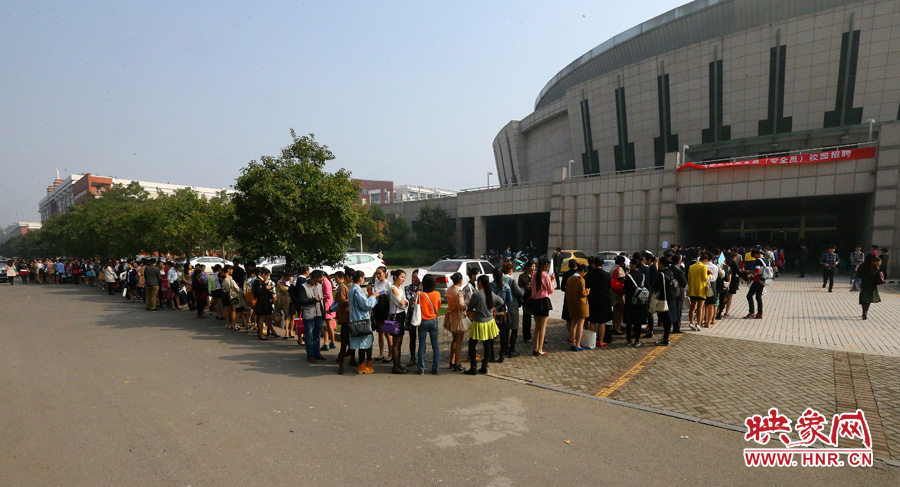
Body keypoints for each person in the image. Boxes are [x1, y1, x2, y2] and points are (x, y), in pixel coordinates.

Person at [465, 275, 503, 375]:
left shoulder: (477, 294)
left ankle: (473, 367)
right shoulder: (490, 293)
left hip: (479, 322)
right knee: (487, 345)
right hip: (489, 322)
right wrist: (493, 308)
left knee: (472, 344)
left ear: (480, 283)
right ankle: (484, 366)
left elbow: (470, 306)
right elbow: (501, 301)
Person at [348, 270, 378, 374]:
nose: (364, 279)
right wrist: (374, 297)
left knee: (362, 343)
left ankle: (365, 363)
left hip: (355, 319)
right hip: (361, 319)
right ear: (360, 278)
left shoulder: (352, 289)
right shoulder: (357, 290)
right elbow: (366, 305)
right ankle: (362, 365)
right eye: (364, 278)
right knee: (364, 343)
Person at [415, 274, 442, 375]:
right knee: (435, 345)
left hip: (422, 321)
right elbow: (438, 305)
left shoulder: (419, 294)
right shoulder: (437, 294)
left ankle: (421, 369)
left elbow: (416, 303)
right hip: (433, 320)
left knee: (422, 345)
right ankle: (436, 368)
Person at [299, 270, 326, 362]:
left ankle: (317, 353)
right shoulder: (303, 286)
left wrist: (324, 314)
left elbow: (323, 301)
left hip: (319, 313)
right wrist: (314, 300)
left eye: (318, 281)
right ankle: (310, 355)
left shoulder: (319, 286)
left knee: (317, 335)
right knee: (309, 336)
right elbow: (302, 300)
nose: (316, 282)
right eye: (315, 280)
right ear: (311, 278)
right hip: (309, 314)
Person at [584, 256, 612, 347]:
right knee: (602, 322)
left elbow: (587, 285)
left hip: (592, 299)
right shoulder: (606, 274)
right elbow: (609, 286)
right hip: (603, 300)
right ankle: (601, 341)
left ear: (594, 264)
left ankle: (592, 341)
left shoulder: (590, 274)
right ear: (602, 264)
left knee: (592, 321)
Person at [529, 257, 554, 356]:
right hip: (543, 301)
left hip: (534, 301)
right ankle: (540, 349)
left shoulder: (534, 274)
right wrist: (552, 280)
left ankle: (536, 348)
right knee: (542, 327)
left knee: (537, 327)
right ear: (545, 265)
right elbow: (550, 290)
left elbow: (532, 287)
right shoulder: (545, 276)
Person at [443, 272, 467, 372]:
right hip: (458, 316)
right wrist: (465, 307)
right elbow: (461, 304)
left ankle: (451, 361)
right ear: (460, 281)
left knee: (454, 339)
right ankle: (457, 363)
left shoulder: (449, 289)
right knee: (459, 341)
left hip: (451, 315)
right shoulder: (459, 291)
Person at [387, 269, 409, 374]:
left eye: (404, 277)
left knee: (399, 343)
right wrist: (405, 302)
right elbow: (401, 303)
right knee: (396, 343)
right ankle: (396, 366)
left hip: (400, 316)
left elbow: (406, 301)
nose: (403, 279)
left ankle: (398, 364)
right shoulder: (393, 289)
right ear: (395, 277)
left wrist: (406, 302)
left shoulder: (400, 289)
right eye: (402, 277)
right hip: (396, 317)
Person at [623, 260, 649, 346]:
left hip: (630, 301)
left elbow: (625, 289)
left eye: (630, 264)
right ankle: (637, 340)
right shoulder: (643, 275)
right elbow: (647, 286)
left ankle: (628, 340)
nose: (629, 265)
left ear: (634, 265)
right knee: (638, 322)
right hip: (641, 302)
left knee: (629, 321)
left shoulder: (628, 276)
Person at [654, 256, 679, 345]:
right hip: (672, 298)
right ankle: (666, 337)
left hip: (664, 299)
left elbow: (656, 287)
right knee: (669, 319)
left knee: (665, 319)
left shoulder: (661, 274)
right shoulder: (671, 272)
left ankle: (665, 338)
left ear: (661, 264)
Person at [491, 268, 514, 362]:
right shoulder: (506, 286)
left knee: (491, 335)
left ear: (493, 275)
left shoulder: (490, 286)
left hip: (492, 313)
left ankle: (491, 355)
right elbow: (510, 299)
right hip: (503, 313)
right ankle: (502, 355)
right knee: (503, 335)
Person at [565, 264, 590, 351]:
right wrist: (588, 290)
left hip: (572, 303)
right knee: (580, 325)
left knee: (573, 324)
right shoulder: (581, 280)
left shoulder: (569, 279)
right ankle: (578, 344)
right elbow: (582, 293)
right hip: (581, 304)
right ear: (583, 271)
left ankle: (573, 343)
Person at [333, 271, 353, 374]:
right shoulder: (343, 287)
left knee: (350, 341)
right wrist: (352, 300)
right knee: (344, 342)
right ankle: (341, 364)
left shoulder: (348, 286)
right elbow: (341, 302)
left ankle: (351, 359)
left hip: (349, 317)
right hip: (345, 318)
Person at [371, 266, 392, 362]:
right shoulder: (376, 283)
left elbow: (391, 298)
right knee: (380, 333)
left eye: (380, 273)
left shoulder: (388, 284)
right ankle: (381, 353)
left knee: (388, 333)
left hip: (386, 311)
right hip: (378, 310)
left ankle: (390, 354)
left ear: (385, 273)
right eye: (377, 273)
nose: (378, 275)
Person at [503, 262, 524, 357]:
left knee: (505, 329)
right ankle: (512, 349)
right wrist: (523, 289)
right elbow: (520, 293)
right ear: (511, 270)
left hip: (503, 306)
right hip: (512, 306)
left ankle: (505, 348)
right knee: (514, 328)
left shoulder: (500, 279)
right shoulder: (512, 281)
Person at [687, 252, 711, 330]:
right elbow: (704, 278)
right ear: (705, 260)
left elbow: (689, 278)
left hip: (692, 289)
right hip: (701, 289)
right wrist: (709, 276)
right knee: (700, 307)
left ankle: (691, 322)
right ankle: (698, 324)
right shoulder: (704, 267)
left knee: (692, 307)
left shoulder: (691, 267)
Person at [743, 249, 768, 319]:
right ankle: (760, 313)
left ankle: (751, 312)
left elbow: (757, 271)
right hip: (763, 280)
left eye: (754, 256)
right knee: (758, 297)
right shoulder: (767, 260)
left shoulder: (758, 260)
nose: (754, 258)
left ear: (757, 254)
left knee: (749, 296)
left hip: (757, 280)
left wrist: (749, 271)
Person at [403, 269, 421, 368]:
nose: (414, 279)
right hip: (411, 315)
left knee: (422, 337)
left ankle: (421, 358)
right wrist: (419, 292)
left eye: (417, 277)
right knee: (412, 337)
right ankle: (412, 357)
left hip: (421, 315)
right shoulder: (408, 288)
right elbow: (411, 299)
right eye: (413, 277)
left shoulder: (424, 288)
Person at [252, 269, 276, 340]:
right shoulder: (257, 281)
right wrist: (266, 288)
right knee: (261, 318)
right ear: (263, 274)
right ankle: (261, 333)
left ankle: (272, 331)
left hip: (265, 301)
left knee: (267, 317)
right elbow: (258, 292)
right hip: (261, 302)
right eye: (267, 276)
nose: (267, 277)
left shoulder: (260, 280)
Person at [858, 253, 882, 320]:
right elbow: (880, 260)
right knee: (869, 299)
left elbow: (858, 275)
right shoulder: (875, 266)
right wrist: (876, 256)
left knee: (864, 299)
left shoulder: (862, 266)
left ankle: (864, 312)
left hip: (863, 284)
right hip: (872, 284)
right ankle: (866, 312)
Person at [517, 261, 534, 343]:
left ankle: (540, 335)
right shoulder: (522, 276)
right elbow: (520, 286)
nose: (533, 268)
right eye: (532, 266)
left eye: (534, 266)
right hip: (527, 298)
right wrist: (526, 286)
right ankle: (527, 336)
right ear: (527, 267)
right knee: (527, 318)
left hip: (535, 297)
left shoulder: (535, 275)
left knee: (539, 318)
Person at [610, 255, 627, 336]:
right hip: (619, 292)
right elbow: (622, 279)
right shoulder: (619, 269)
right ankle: (617, 327)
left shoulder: (612, 268)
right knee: (620, 311)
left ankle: (614, 326)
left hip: (613, 291)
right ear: (621, 262)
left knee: (615, 310)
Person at [321, 272, 337, 351]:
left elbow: (328, 295)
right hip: (328, 304)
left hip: (327, 304)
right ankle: (326, 342)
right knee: (326, 325)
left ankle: (332, 342)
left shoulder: (326, 282)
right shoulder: (326, 281)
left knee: (328, 324)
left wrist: (321, 296)